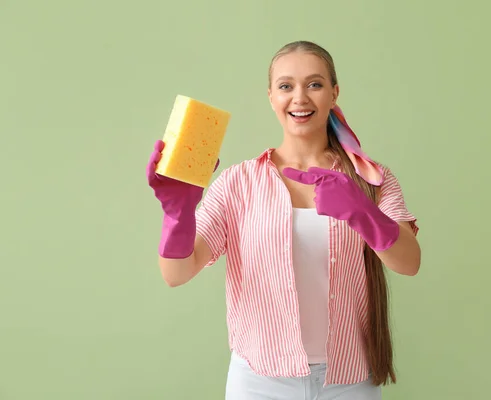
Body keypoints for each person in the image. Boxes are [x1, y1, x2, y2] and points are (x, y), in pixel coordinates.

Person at [146, 40, 421, 400]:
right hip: (260, 382)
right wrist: (177, 213)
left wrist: (363, 211)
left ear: (334, 93)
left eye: (315, 84)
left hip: (351, 380)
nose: (300, 98)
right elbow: (176, 273)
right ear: (271, 97)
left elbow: (410, 262)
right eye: (286, 86)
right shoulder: (237, 183)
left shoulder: (372, 179)